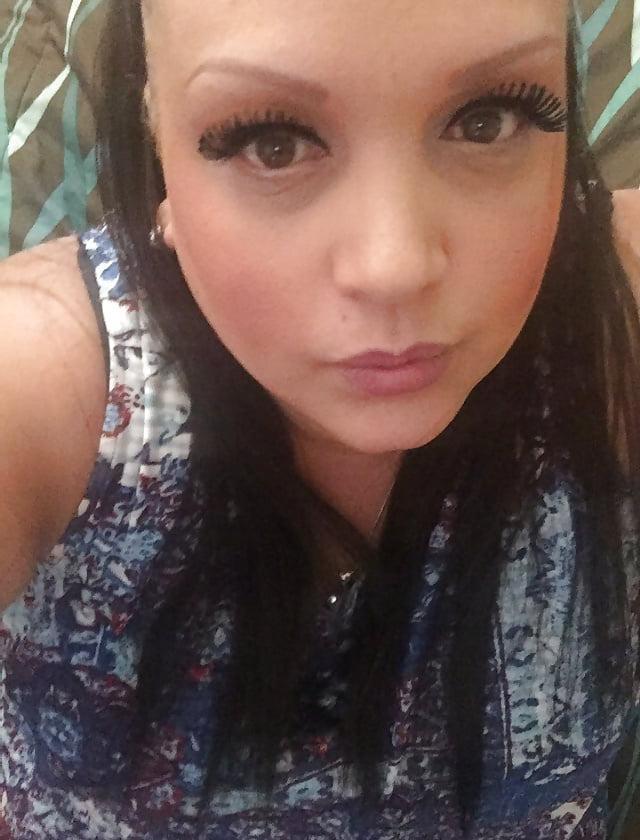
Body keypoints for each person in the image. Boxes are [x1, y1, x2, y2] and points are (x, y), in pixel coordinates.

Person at [1, 0, 640, 837]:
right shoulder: (48, 374)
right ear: (159, 144)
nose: (395, 265)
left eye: (488, 120)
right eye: (272, 142)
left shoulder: (607, 319)